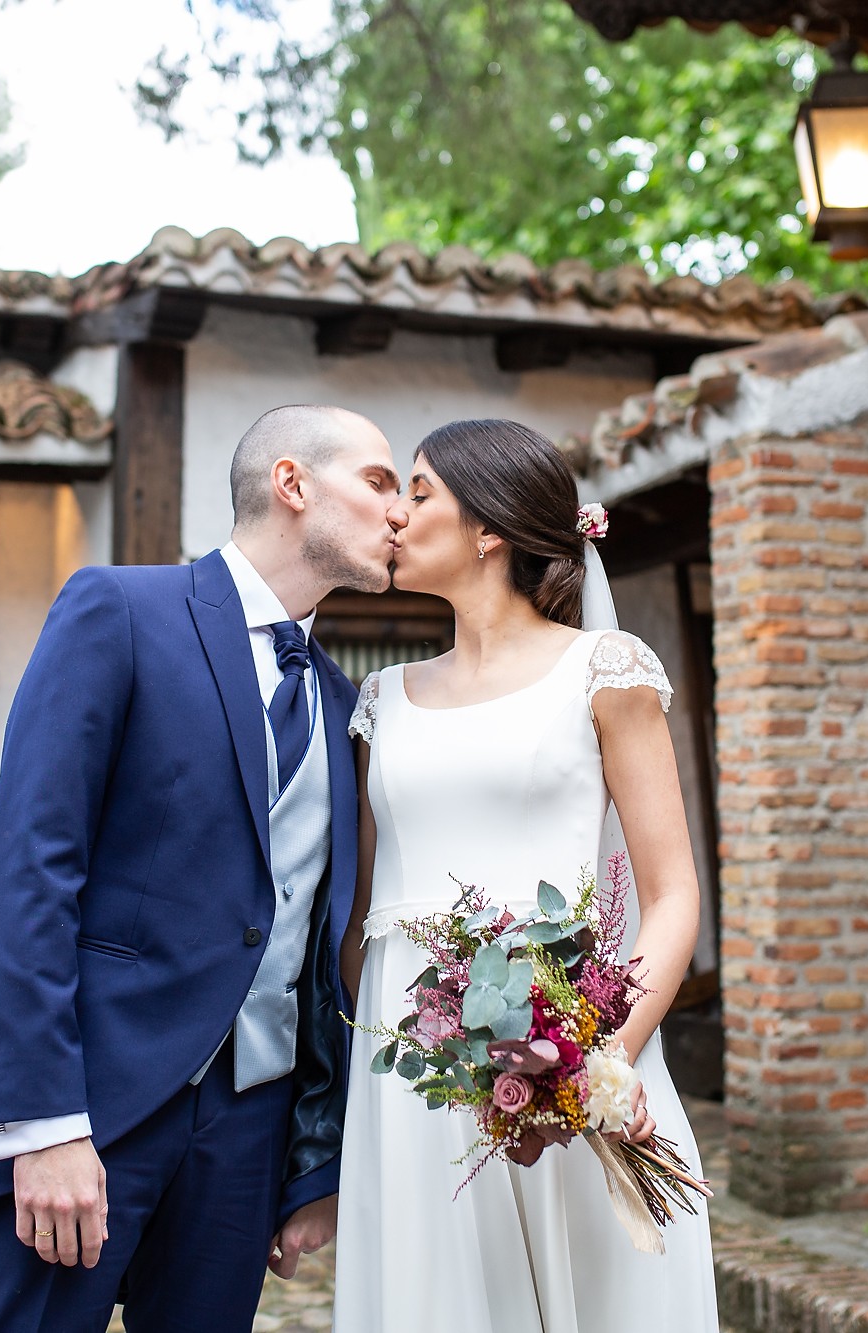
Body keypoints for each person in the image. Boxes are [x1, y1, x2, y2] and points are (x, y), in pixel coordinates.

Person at [0, 404, 411, 1332]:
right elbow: (30, 870)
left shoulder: (344, 700)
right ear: (293, 484)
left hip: (248, 1133)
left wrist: (312, 1161)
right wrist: (45, 1123)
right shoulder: (121, 611)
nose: (401, 512)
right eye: (379, 481)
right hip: (94, 1106)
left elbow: (311, 944)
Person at [332, 418, 718, 1331]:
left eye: (418, 491)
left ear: (489, 527)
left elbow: (671, 895)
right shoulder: (379, 701)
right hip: (411, 1078)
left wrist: (597, 1062)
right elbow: (359, 920)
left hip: (571, 1050)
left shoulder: (603, 671)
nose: (395, 512)